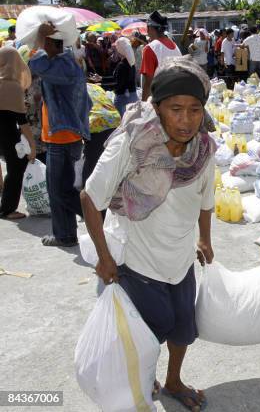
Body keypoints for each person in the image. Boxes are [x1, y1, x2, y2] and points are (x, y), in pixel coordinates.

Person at [81, 57, 216, 411]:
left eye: (194, 109)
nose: (185, 120)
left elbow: (206, 198)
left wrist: (205, 238)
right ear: (157, 108)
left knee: (183, 329)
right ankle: (144, 380)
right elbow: (90, 197)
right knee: (148, 333)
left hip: (179, 257)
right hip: (136, 258)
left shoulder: (203, 149)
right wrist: (105, 259)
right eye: (175, 109)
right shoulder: (132, 143)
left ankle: (172, 381)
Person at [29, 22, 92, 246]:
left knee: (60, 191)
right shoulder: (64, 62)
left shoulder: (61, 65)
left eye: (45, 43)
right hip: (63, 135)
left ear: (51, 45)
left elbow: (34, 63)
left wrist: (39, 40)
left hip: (62, 137)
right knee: (61, 188)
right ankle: (66, 234)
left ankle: (96, 217)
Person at [0, 46, 36, 219]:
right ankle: (7, 209)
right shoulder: (12, 87)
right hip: (7, 133)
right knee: (16, 166)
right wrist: (32, 145)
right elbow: (22, 122)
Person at [82, 82, 121, 188]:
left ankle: (88, 195)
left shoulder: (73, 88)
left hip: (97, 124)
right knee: (109, 162)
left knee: (91, 168)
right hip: (115, 121)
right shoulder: (94, 86)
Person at [140, 11, 181, 101]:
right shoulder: (174, 45)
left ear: (150, 28)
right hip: (177, 97)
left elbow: (148, 83)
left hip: (160, 101)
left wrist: (143, 106)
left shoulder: (150, 48)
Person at [113, 37, 138, 117]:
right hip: (132, 95)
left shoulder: (122, 65)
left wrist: (103, 84)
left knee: (125, 123)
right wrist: (102, 79)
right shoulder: (131, 62)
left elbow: (119, 83)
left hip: (123, 97)